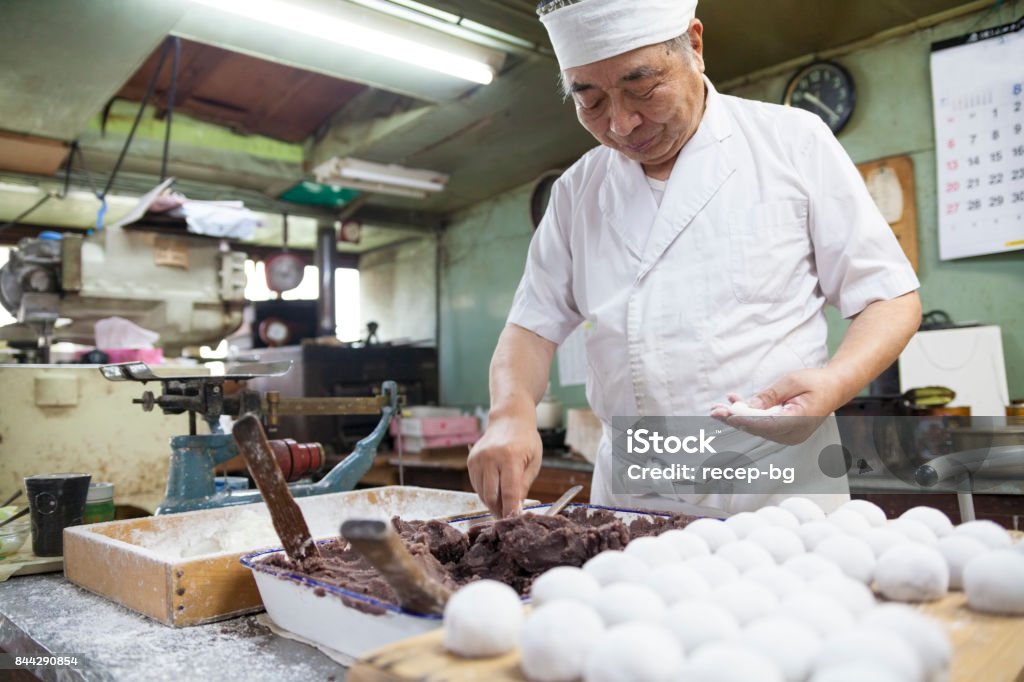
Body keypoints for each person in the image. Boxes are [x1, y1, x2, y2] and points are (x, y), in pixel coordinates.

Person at [468, 0, 922, 518]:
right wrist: (511, 412)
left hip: (771, 480)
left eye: (642, 87)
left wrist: (835, 385)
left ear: (695, 45)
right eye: (590, 101)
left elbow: (889, 296)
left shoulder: (792, 142)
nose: (621, 123)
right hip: (633, 487)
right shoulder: (577, 192)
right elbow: (531, 327)